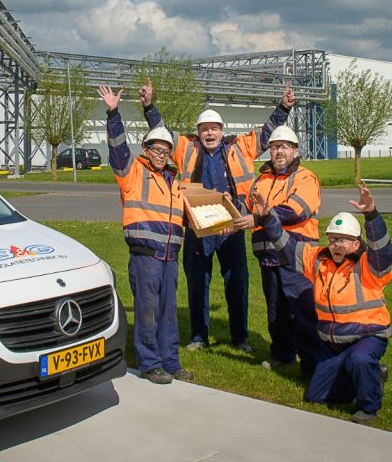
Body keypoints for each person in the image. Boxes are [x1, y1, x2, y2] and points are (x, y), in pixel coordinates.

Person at [140, 77, 294, 352]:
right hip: (199, 229)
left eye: (214, 129)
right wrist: (149, 105)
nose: (209, 133)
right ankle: (199, 337)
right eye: (204, 129)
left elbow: (266, 133)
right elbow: (161, 133)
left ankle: (240, 337)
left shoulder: (239, 146)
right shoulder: (187, 147)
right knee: (198, 284)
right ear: (198, 131)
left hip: (231, 227)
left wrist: (283, 108)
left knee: (237, 283)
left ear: (222, 131)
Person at [249, 184, 392, 424]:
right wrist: (266, 218)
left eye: (344, 240)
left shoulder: (369, 267)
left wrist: (372, 215)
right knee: (315, 395)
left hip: (366, 337)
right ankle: (372, 374)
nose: (336, 245)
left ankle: (369, 406)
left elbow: (383, 250)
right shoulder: (319, 260)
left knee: (360, 359)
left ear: (356, 244)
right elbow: (286, 246)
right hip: (334, 344)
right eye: (333, 239)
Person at [99, 84, 193, 385]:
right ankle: (150, 363)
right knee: (148, 311)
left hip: (170, 257)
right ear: (145, 150)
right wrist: (113, 113)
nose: (161, 155)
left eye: (165, 151)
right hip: (146, 257)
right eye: (156, 149)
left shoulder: (175, 181)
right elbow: (117, 148)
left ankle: (171, 362)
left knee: (167, 313)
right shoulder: (132, 172)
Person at [233, 123, 325, 378]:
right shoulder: (261, 180)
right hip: (268, 256)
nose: (278, 152)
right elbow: (246, 207)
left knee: (303, 312)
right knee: (276, 311)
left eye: (284, 147)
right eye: (274, 147)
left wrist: (259, 218)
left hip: (296, 256)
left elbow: (296, 210)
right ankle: (282, 355)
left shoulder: (304, 177)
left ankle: (313, 365)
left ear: (295, 151)